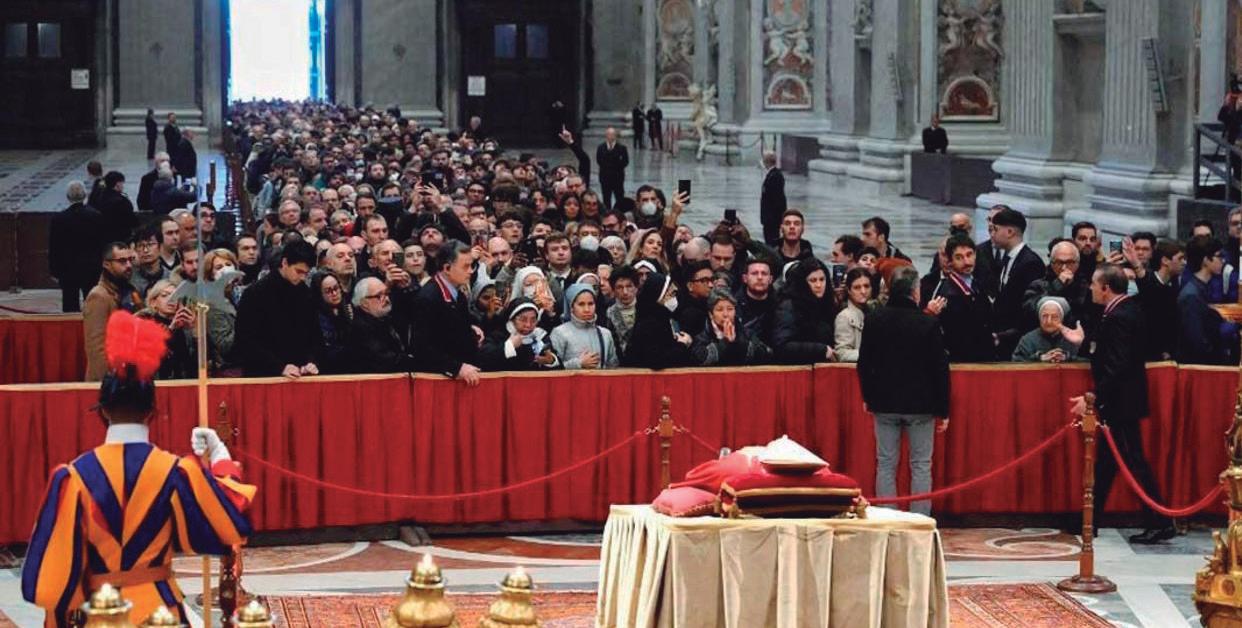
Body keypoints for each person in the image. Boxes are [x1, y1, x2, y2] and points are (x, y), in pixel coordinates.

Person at [22, 310, 252, 627]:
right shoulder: (176, 471)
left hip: (100, 614)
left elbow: (47, 584)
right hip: (161, 613)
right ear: (152, 412)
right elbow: (229, 526)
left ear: (102, 411)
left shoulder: (72, 478)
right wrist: (221, 458)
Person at [1067, 264, 1176, 544]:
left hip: (1122, 402)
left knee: (1133, 461)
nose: (1091, 288)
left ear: (1106, 288)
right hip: (1121, 401)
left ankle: (1160, 521)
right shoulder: (1124, 310)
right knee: (1107, 463)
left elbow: (1117, 365)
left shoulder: (1120, 317)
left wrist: (1093, 397)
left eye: (1094, 284)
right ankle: (1090, 518)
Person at [857, 266, 949, 515]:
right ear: (915, 292)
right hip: (921, 405)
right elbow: (939, 368)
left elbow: (864, 362)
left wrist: (867, 396)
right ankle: (919, 519)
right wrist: (943, 409)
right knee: (920, 465)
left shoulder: (874, 318)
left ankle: (888, 518)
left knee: (886, 464)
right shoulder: (927, 322)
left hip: (884, 403)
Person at [234, 240, 323, 378]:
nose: (302, 277)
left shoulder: (305, 293)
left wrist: (311, 361)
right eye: (299, 271)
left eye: (306, 273)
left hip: (300, 373)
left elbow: (315, 335)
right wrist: (279, 367)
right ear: (285, 263)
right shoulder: (256, 293)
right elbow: (246, 340)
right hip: (264, 375)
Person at [414, 241, 485, 385]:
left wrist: (471, 329)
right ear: (447, 268)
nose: (471, 271)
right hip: (437, 381)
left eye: (471, 265)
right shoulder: (428, 297)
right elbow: (421, 347)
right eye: (466, 266)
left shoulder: (459, 294)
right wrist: (456, 368)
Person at [985, 208, 1046, 359]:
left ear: (1009, 232)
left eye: (995, 229)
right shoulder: (1007, 258)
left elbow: (1029, 309)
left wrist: (1007, 335)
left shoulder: (1030, 263)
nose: (992, 234)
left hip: (1017, 341)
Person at [924, 235, 993, 362]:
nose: (967, 262)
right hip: (962, 362)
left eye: (969, 255)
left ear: (975, 255)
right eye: (959, 258)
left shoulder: (978, 285)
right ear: (950, 261)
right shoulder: (946, 294)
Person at [83, 243, 142, 381]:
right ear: (107, 264)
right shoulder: (98, 296)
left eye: (130, 260)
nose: (129, 265)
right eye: (122, 261)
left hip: (131, 374)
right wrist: (107, 384)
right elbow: (96, 349)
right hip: (110, 380)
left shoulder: (130, 291)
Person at [49, 181, 105, 312]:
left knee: (69, 303)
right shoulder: (96, 216)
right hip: (92, 266)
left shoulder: (59, 219)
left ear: (68, 197)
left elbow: (54, 247)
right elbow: (102, 243)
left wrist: (54, 270)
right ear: (85, 195)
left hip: (67, 268)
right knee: (92, 303)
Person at [1178, 236, 1235, 365]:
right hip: (1200, 367)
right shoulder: (1191, 296)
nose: (1223, 261)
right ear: (1206, 260)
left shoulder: (1202, 288)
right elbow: (1197, 342)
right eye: (1219, 256)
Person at [623, 272, 694, 369]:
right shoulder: (648, 324)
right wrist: (682, 345)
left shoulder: (664, 317)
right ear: (658, 296)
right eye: (671, 294)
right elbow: (657, 360)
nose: (674, 299)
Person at [345, 277, 416, 374]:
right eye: (379, 296)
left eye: (386, 293)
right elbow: (386, 361)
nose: (386, 299)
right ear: (364, 303)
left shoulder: (383, 317)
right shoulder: (361, 328)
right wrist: (416, 361)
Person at [772, 259, 837, 364]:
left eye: (822, 279)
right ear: (802, 282)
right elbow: (782, 346)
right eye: (813, 280)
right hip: (797, 368)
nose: (819, 285)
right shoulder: (789, 306)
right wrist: (821, 350)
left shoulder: (826, 304)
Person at [691, 289, 772, 366]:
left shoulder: (747, 334)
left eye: (730, 309)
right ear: (711, 314)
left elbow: (767, 354)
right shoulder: (702, 336)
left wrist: (738, 343)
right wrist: (725, 343)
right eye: (719, 310)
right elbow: (700, 360)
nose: (726, 314)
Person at [550, 284, 619, 370]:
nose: (587, 309)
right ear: (571, 307)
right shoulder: (560, 333)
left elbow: (612, 367)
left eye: (590, 304)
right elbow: (553, 368)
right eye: (581, 304)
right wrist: (578, 363)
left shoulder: (605, 334)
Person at [479, 298, 560, 371]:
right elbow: (483, 361)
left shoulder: (540, 336)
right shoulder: (498, 336)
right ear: (512, 319)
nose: (528, 325)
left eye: (533, 320)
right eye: (523, 319)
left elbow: (560, 369)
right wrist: (509, 346)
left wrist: (551, 361)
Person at [1012, 297, 1082, 362]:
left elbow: (1086, 362)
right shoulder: (1027, 340)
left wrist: (1067, 358)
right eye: (1045, 316)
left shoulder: (1072, 339)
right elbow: (1016, 364)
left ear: (1061, 319)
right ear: (1039, 318)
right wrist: (1039, 358)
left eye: (1054, 317)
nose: (1049, 321)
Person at [311, 272, 352, 374]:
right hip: (327, 369)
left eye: (336, 288)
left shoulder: (348, 308)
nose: (334, 293)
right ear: (320, 294)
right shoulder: (315, 317)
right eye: (328, 291)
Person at [735, 258, 778, 347]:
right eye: (754, 273)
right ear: (745, 278)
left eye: (764, 274)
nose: (759, 277)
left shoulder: (780, 305)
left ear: (770, 279)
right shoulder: (733, 305)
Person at [834, 268, 871, 362]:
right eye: (857, 287)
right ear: (849, 290)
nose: (863, 291)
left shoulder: (874, 311)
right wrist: (871, 354)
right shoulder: (844, 317)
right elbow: (842, 353)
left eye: (866, 286)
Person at [606, 265, 640, 355]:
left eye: (629, 286)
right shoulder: (609, 314)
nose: (625, 292)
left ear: (636, 288)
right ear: (613, 290)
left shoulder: (646, 310)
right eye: (619, 287)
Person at [96, 171, 137, 245]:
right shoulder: (122, 201)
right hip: (121, 237)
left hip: (105, 237)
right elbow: (132, 220)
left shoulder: (100, 197)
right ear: (117, 184)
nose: (123, 186)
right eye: (122, 183)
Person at [675, 260, 713, 338]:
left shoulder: (710, 305)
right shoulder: (690, 314)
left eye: (712, 280)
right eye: (704, 281)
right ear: (690, 286)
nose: (711, 285)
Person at [596, 127, 629, 210]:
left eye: (612, 134)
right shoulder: (601, 147)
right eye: (609, 134)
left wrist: (616, 167)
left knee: (619, 197)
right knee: (606, 197)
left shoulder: (622, 148)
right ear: (606, 135)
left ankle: (619, 212)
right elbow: (599, 160)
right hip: (605, 177)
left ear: (615, 136)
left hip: (618, 177)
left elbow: (625, 161)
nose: (610, 136)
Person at [759, 151, 787, 245]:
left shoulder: (775, 176)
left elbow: (777, 199)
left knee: (771, 241)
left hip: (772, 219)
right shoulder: (772, 175)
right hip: (769, 218)